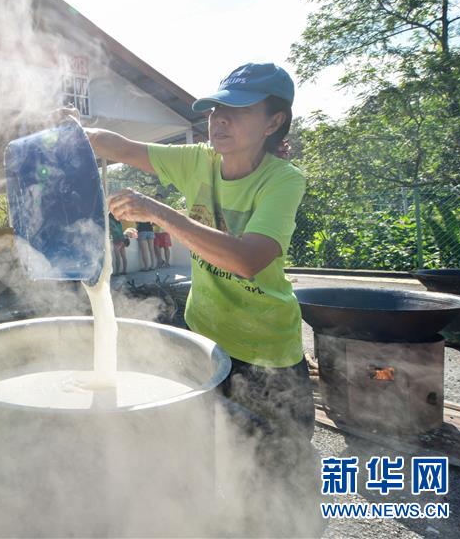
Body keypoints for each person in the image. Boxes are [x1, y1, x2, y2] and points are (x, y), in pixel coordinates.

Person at [61, 62, 313, 470]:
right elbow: (120, 146)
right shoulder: (199, 160)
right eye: (215, 110)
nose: (219, 120)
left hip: (266, 349)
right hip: (205, 336)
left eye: (239, 110)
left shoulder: (283, 180)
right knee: (207, 453)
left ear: (273, 122)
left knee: (279, 466)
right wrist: (77, 131)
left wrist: (157, 212)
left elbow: (248, 260)